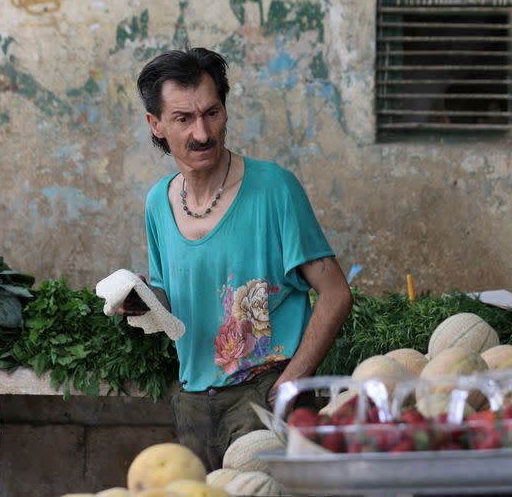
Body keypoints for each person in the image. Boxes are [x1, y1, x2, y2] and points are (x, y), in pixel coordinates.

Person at [125, 47, 352, 471]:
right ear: (155, 125)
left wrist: (291, 383)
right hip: (193, 401)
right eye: (183, 119)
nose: (202, 133)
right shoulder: (158, 202)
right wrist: (142, 298)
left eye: (212, 113)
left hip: (266, 391)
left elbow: (336, 294)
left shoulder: (275, 190)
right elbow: (170, 295)